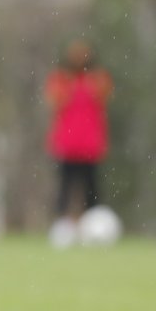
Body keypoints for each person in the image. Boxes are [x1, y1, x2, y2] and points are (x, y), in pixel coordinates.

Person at [45, 40, 113, 247]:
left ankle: (95, 228)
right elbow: (54, 99)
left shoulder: (98, 79)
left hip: (90, 147)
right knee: (65, 190)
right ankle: (63, 229)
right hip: (68, 146)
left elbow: (105, 94)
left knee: (92, 191)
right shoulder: (61, 80)